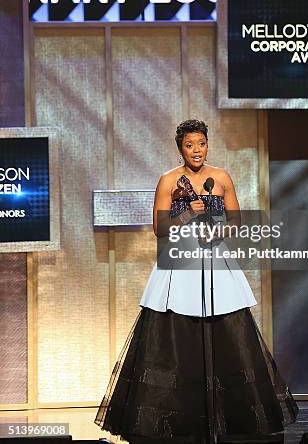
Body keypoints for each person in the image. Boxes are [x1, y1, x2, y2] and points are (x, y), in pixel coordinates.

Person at [95, 119, 297, 443]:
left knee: (227, 336)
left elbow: (236, 219)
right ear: (180, 149)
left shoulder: (221, 178)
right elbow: (159, 229)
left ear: (207, 144)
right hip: (178, 264)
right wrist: (187, 212)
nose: (196, 151)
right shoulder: (168, 181)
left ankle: (229, 419)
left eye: (201, 144)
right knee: (176, 339)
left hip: (214, 259)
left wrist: (219, 230)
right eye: (190, 145)